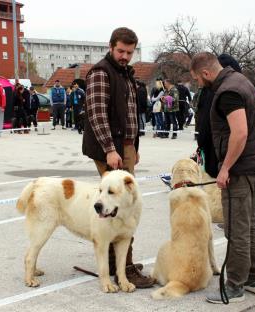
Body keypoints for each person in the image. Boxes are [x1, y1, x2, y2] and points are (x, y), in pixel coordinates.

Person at [190, 52, 255, 303]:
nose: (199, 85)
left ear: (205, 73)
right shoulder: (240, 80)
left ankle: (234, 287)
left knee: (236, 229)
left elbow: (240, 133)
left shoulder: (227, 92)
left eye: (197, 80)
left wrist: (226, 169)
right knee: (248, 224)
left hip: (240, 170)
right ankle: (254, 277)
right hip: (254, 166)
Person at [82, 27, 154, 289]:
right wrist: (111, 150)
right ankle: (124, 268)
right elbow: (97, 114)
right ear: (110, 46)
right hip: (109, 147)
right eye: (121, 51)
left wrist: (133, 147)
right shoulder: (101, 72)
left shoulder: (126, 73)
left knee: (124, 205)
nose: (125, 56)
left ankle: (118, 263)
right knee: (121, 206)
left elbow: (131, 114)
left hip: (125, 147)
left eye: (129, 52)